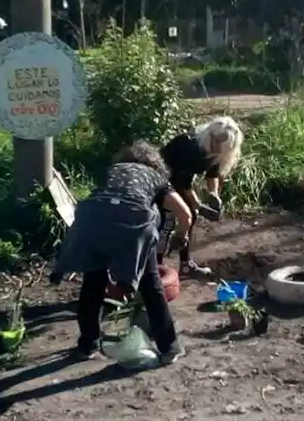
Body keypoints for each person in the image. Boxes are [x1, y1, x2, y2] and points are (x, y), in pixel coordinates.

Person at [50, 140, 193, 364]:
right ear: (154, 163)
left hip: (92, 219)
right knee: (151, 285)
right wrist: (181, 235)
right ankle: (169, 347)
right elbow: (185, 213)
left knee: (93, 283)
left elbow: (105, 202)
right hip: (133, 220)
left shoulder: (113, 171)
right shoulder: (157, 178)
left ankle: (87, 345)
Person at [158, 116, 244, 278]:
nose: (218, 147)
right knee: (168, 219)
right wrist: (197, 204)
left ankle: (185, 265)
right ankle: (156, 267)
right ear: (210, 134)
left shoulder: (217, 152)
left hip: (180, 181)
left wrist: (214, 194)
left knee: (190, 215)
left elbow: (213, 174)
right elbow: (184, 184)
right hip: (161, 178)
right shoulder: (189, 146)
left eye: (223, 145)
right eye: (217, 141)